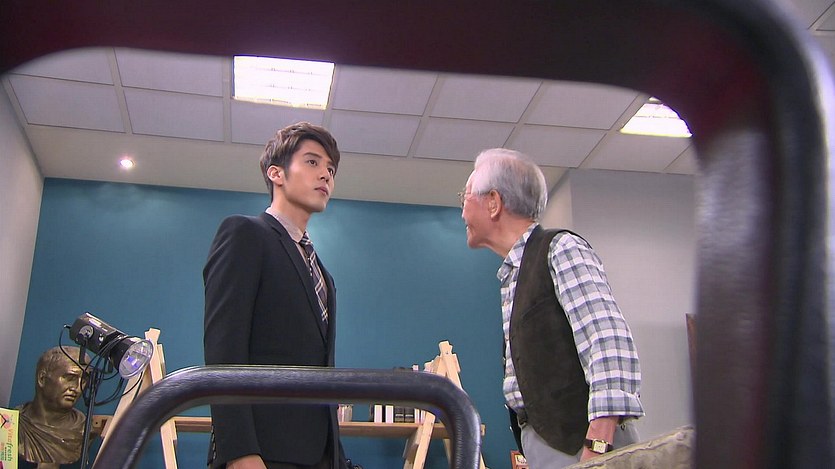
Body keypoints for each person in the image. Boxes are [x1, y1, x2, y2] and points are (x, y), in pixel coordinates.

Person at [460, 148, 645, 468]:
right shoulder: (515, 276)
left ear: (493, 202)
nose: (462, 211)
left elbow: (608, 343)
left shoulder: (560, 249)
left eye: (465, 196)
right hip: (550, 447)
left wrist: (596, 448)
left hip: (584, 448)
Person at [203, 122, 346, 469]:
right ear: (276, 173)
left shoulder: (322, 272)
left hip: (319, 455)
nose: (325, 175)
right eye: (312, 162)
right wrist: (239, 451)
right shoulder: (245, 233)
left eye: (330, 169)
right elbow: (224, 348)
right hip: (262, 453)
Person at [17, 346, 88, 468]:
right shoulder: (12, 424)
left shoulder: (84, 430)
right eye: (70, 378)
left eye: (84, 381)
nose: (77, 388)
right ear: (42, 379)